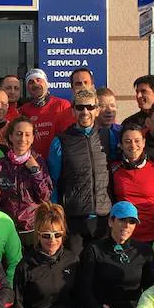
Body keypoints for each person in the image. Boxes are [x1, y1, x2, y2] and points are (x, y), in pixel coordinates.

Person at [47, 87, 113, 252]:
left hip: (103, 218)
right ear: (73, 111)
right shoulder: (60, 141)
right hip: (73, 218)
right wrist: (56, 216)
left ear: (97, 110)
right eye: (80, 107)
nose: (85, 111)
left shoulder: (108, 137)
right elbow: (53, 182)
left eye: (90, 107)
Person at [110, 124, 154, 244]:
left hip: (151, 235)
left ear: (144, 142)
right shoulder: (114, 169)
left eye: (137, 141)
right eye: (127, 141)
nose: (133, 146)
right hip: (123, 235)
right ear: (120, 144)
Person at [0, 116, 53, 245]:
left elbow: (45, 196)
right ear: (10, 137)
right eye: (18, 134)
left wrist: (35, 171)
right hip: (7, 228)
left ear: (32, 138)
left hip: (32, 228)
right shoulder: (0, 165)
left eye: (27, 135)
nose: (23, 139)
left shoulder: (39, 163)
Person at [18, 68, 73, 158]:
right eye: (31, 82)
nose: (35, 84)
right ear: (27, 88)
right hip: (34, 163)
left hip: (60, 163)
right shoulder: (22, 111)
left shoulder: (63, 105)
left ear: (46, 83)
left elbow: (70, 137)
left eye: (38, 80)